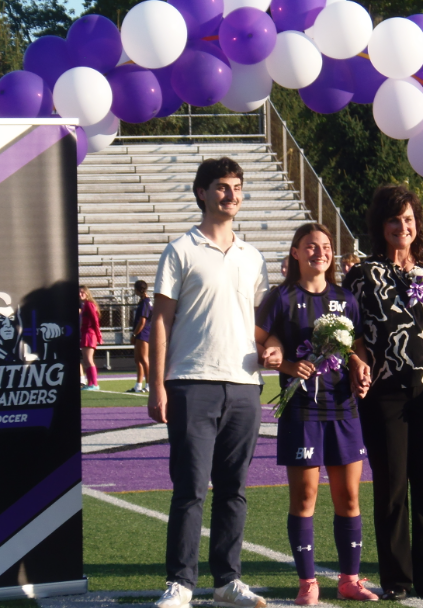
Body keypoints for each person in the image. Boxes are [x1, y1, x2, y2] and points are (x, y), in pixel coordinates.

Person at [149, 157, 269, 608]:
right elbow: (161, 321)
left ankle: (227, 580)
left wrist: (273, 347)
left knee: (233, 489)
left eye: (237, 186)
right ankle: (180, 582)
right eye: (222, 187)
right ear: (202, 193)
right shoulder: (180, 249)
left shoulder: (253, 257)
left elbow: (260, 323)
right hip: (189, 382)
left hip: (243, 385)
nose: (231, 194)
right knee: (190, 488)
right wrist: (158, 384)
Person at [255, 223, 376, 605]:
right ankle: (308, 582)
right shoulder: (281, 297)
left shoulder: (346, 298)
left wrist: (359, 364)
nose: (319, 252)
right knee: (305, 497)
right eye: (310, 246)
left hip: (343, 409)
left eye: (325, 246)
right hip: (302, 410)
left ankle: (349, 579)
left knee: (349, 497)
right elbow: (261, 341)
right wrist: (284, 364)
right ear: (295, 253)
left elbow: (356, 347)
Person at [342, 185, 423, 601]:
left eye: (408, 219)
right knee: (390, 486)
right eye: (393, 219)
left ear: (416, 223)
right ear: (380, 225)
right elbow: (347, 329)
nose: (401, 226)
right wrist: (357, 356)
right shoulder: (361, 274)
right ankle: (397, 579)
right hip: (384, 391)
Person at [128, 280, 151, 394]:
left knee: (144, 359)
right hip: (139, 334)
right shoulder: (142, 302)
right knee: (138, 360)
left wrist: (134, 334)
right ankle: (138, 385)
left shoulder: (146, 302)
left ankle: (149, 384)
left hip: (143, 333)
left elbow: (142, 321)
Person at [80, 285, 103, 391]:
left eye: (82, 292)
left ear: (87, 293)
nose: (80, 294)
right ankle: (90, 383)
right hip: (85, 333)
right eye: (79, 293)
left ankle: (94, 384)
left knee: (89, 359)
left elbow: (95, 321)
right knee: (85, 360)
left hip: (90, 334)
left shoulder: (89, 304)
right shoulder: (85, 305)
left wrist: (99, 336)